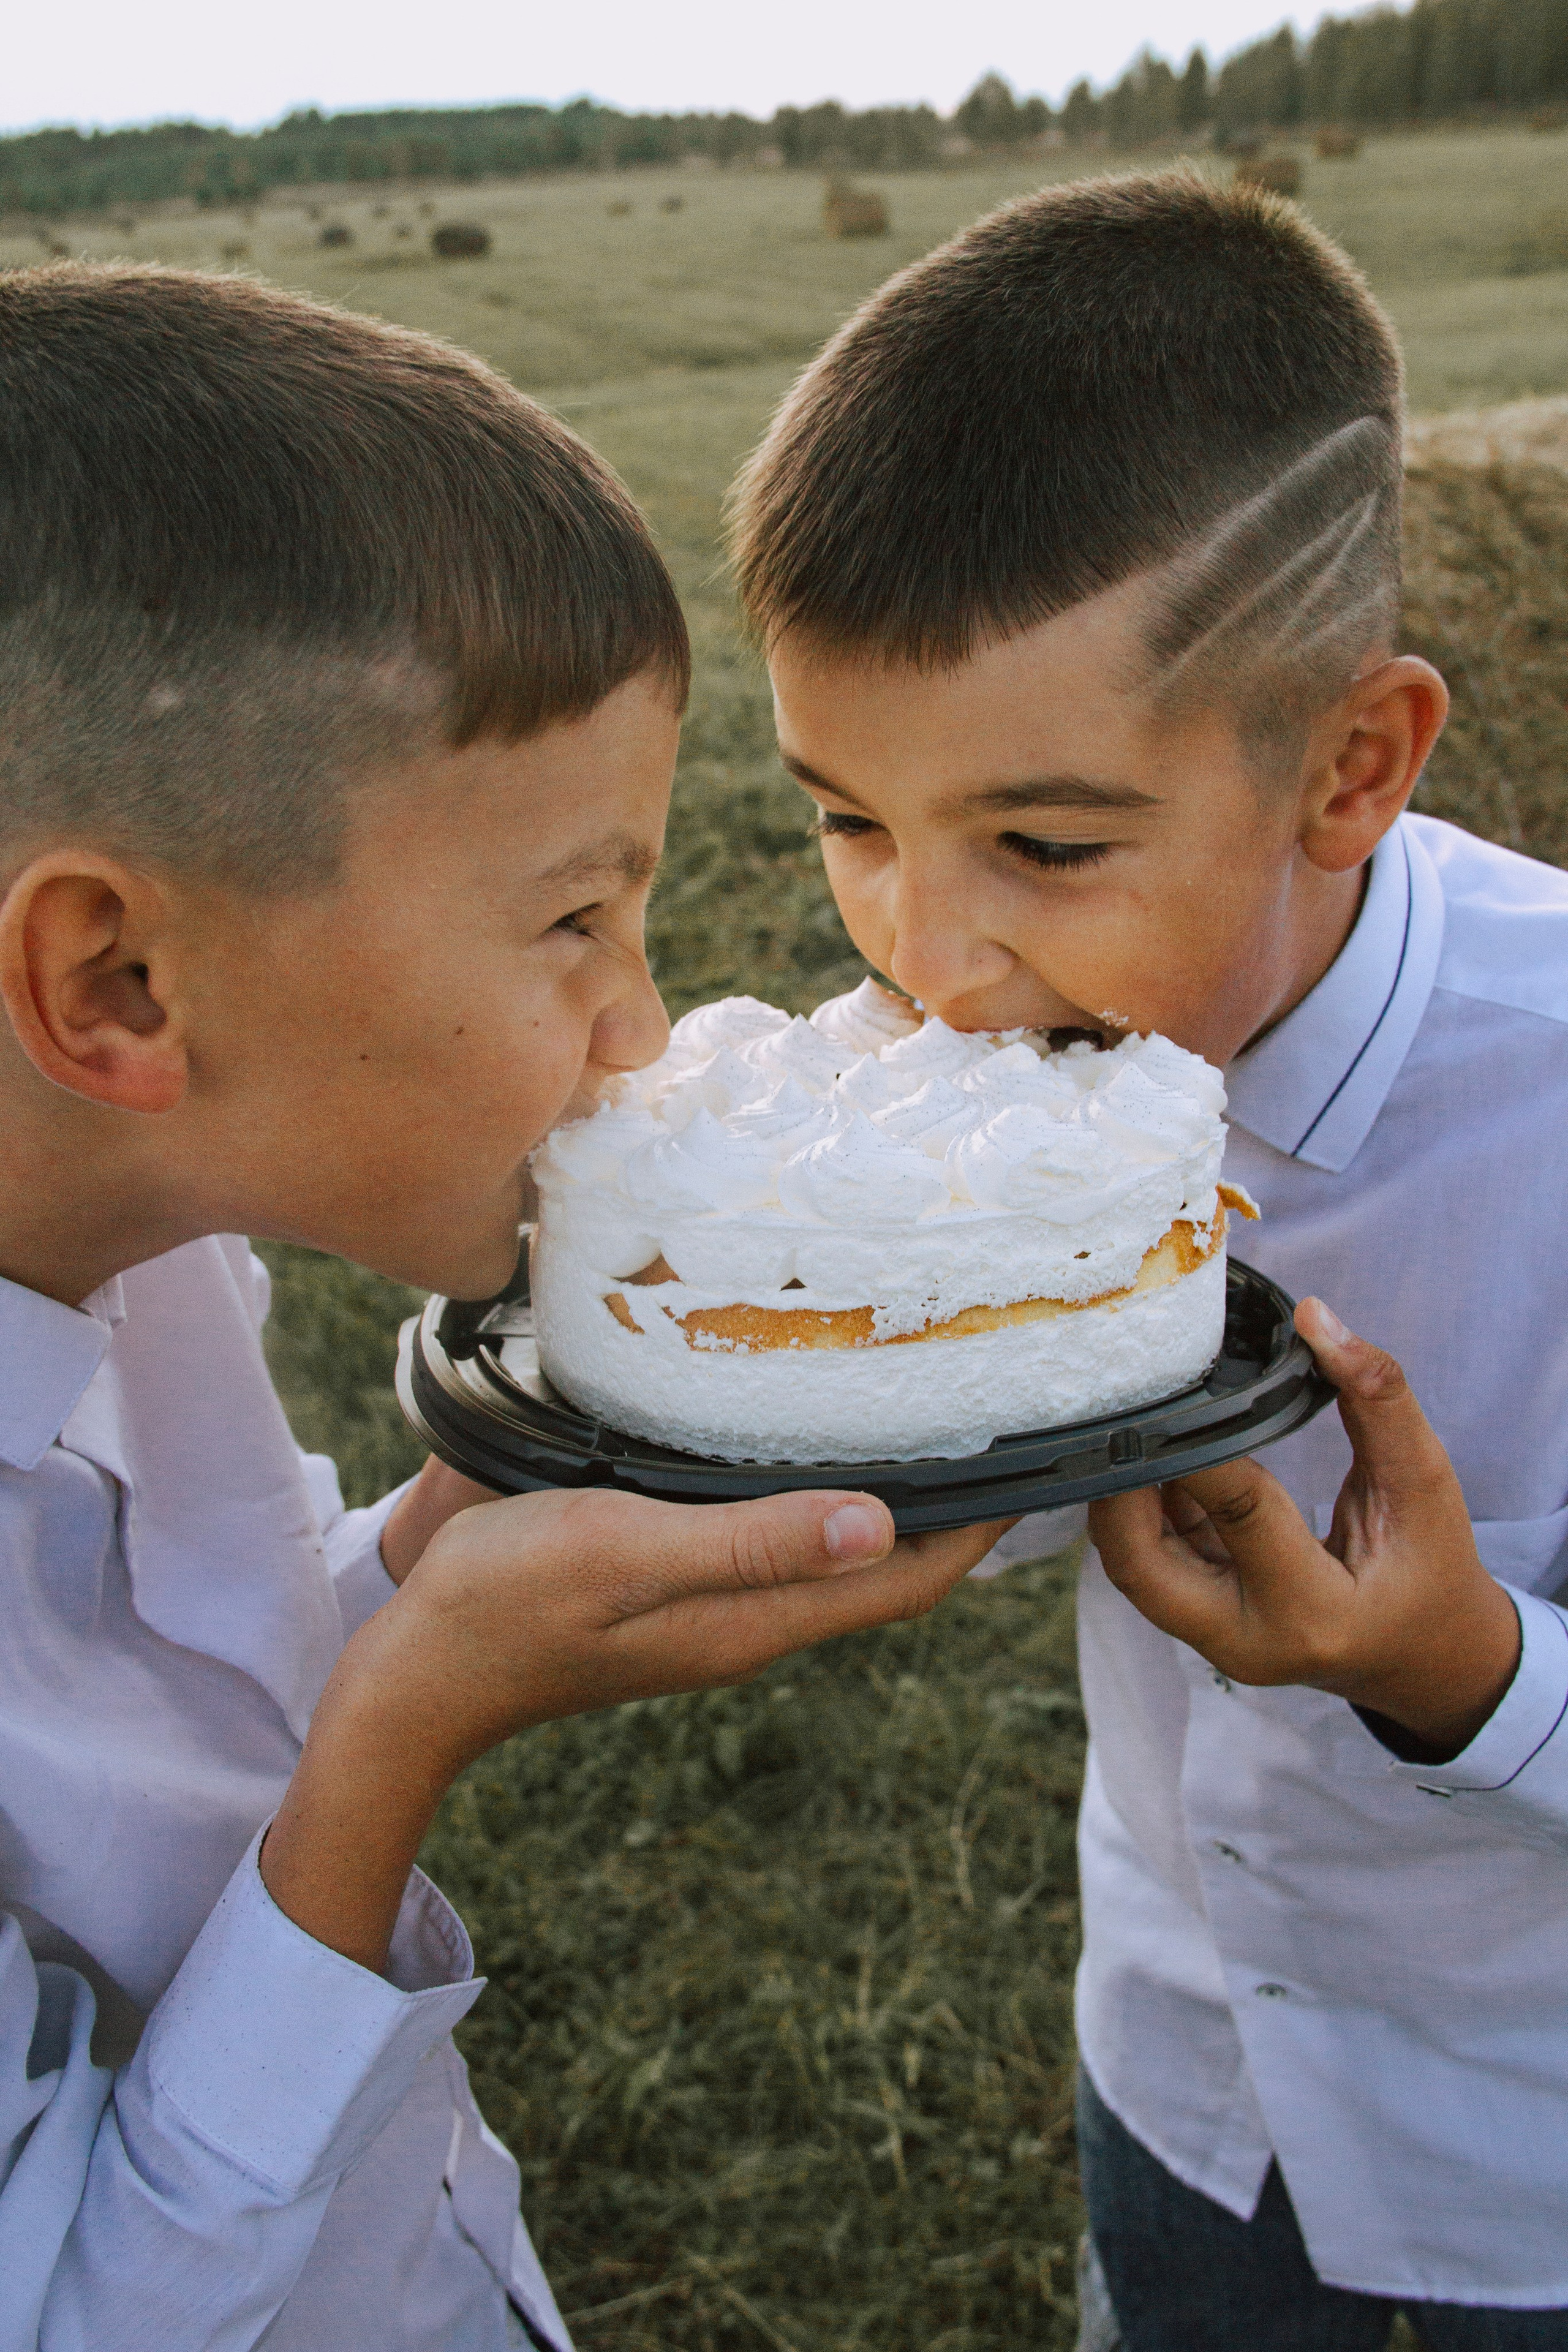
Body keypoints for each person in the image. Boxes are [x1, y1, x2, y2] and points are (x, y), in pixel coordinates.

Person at [0, 263, 1005, 2352]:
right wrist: (411, 1725)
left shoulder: (151, 1254)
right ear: (115, 987)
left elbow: (207, 1704)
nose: (637, 1031)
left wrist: (446, 1538)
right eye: (575, 919)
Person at [726, 168, 1568, 2347]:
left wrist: (1462, 1671)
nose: (929, 960)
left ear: (1352, 765)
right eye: (847, 820)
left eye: (1045, 844)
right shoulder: (914, 1083)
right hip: (1186, 2071)